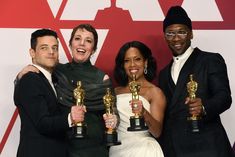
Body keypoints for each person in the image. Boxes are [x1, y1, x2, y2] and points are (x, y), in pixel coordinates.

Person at [16, 24, 118, 157]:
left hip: (92, 148)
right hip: (63, 148)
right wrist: (20, 74)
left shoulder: (102, 78)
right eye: (77, 38)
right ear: (70, 45)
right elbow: (31, 87)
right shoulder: (56, 70)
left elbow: (112, 111)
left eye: (88, 41)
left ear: (93, 49)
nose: (81, 44)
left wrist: (114, 120)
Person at [158, 6, 235, 157]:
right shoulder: (163, 74)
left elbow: (224, 97)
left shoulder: (210, 60)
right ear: (165, 36)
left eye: (181, 32)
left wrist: (204, 107)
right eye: (170, 33)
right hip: (175, 148)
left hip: (208, 146)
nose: (176, 38)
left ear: (191, 34)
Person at [13, 29, 82, 157]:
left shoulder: (53, 79)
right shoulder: (30, 79)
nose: (51, 52)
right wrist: (70, 118)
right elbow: (42, 123)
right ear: (32, 52)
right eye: (44, 48)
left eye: (54, 48)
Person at [109, 40, 166, 157]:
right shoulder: (114, 92)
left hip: (143, 150)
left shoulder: (154, 92)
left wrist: (143, 112)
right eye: (127, 61)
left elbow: (157, 132)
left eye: (137, 59)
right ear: (122, 65)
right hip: (117, 150)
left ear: (145, 63)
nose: (132, 65)